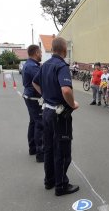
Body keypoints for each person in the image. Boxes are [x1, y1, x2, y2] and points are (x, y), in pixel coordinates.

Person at [32, 37, 79, 196]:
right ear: (64, 50)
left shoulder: (45, 65)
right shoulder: (61, 66)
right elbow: (66, 90)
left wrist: (45, 95)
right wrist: (72, 104)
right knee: (63, 151)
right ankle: (61, 185)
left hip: (47, 111)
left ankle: (49, 180)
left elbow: (35, 82)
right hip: (59, 115)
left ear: (52, 49)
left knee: (49, 148)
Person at [22, 44, 44, 162]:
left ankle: (33, 148)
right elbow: (40, 82)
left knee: (33, 122)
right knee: (40, 124)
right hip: (34, 99)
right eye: (40, 52)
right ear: (36, 53)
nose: (41, 55)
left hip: (29, 96)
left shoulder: (28, 64)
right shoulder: (33, 67)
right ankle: (40, 153)